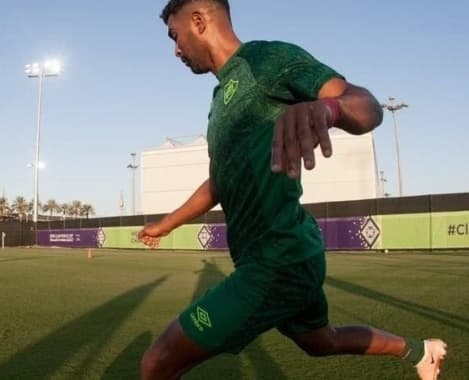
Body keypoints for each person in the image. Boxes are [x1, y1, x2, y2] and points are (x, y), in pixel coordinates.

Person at [137, 1, 447, 379]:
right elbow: (219, 181)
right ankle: (421, 352)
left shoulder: (265, 59)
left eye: (175, 36)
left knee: (157, 363)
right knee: (322, 342)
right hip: (293, 255)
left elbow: (365, 105)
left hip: (276, 261)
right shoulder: (219, 102)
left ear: (198, 20)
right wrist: (165, 225)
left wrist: (328, 110)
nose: (176, 50)